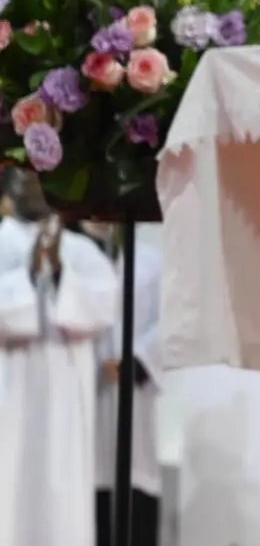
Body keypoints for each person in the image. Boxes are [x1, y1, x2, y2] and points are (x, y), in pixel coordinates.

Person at [0, 164, 119, 546]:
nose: (30, 187)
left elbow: (106, 307)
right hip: (9, 387)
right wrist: (28, 275)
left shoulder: (79, 249)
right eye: (22, 178)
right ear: (8, 188)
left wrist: (58, 271)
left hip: (65, 393)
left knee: (61, 489)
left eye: (37, 179)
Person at [89, 222, 163, 546]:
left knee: (133, 486)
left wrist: (139, 361)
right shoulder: (77, 257)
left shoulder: (150, 261)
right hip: (86, 396)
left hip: (132, 396)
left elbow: (170, 319)